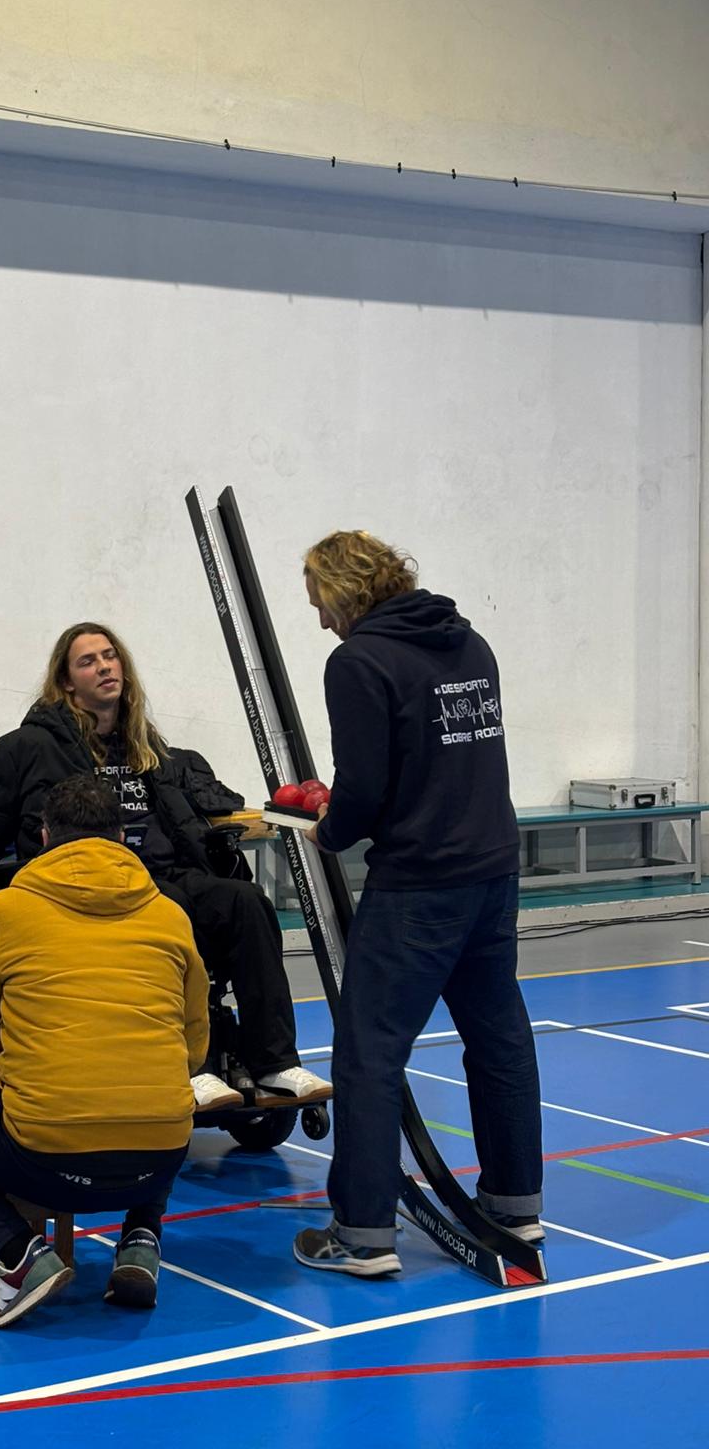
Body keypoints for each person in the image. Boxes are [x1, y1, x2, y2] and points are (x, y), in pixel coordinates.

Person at [292, 531, 542, 1277]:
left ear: (344, 592)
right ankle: (516, 1204)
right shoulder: (470, 643)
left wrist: (326, 830)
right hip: (492, 869)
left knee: (368, 1053)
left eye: (320, 603)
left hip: (421, 884)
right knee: (499, 1039)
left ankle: (362, 1233)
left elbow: (364, 789)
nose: (321, 620)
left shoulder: (359, 661)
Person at [0, 622, 330, 1110]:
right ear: (66, 681)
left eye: (110, 656)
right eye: (88, 661)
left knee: (246, 903)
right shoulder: (25, 748)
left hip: (166, 876)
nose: (104, 666)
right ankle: (190, 1067)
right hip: (89, 889)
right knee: (169, 910)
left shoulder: (144, 743)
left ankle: (274, 1062)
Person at [0, 774, 209, 1329]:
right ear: (123, 836)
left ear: (43, 836)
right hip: (160, 1161)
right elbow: (192, 1046)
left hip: (46, 1161)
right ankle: (141, 1237)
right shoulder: (170, 915)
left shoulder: (9, 910)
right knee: (150, 1089)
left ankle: (20, 1255)